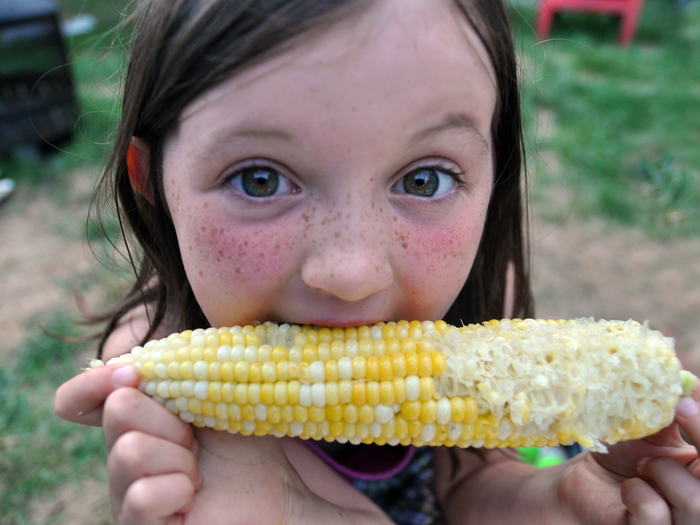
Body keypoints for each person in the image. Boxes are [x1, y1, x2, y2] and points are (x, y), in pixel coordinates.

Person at [54, 0, 700, 523]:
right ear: (153, 182)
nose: (351, 271)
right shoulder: (152, 374)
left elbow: (472, 480)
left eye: (424, 180)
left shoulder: (485, 297)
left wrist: (558, 502)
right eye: (257, 179)